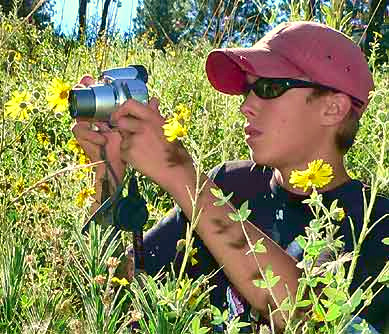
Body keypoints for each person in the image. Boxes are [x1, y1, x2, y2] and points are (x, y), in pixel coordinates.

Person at [72, 21, 388, 332]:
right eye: (248, 90)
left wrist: (181, 174)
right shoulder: (226, 185)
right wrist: (107, 178)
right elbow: (116, 289)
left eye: (268, 88)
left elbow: (314, 322)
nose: (246, 106)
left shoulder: (377, 224)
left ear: (332, 109)